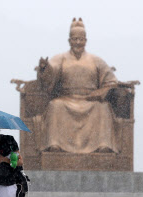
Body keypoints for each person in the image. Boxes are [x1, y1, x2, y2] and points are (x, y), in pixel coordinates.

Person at [33, 18, 120, 154]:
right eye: (75, 39)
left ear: (85, 40)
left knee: (103, 108)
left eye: (81, 39)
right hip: (66, 99)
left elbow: (111, 81)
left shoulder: (96, 60)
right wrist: (45, 68)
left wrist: (101, 92)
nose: (78, 43)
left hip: (90, 101)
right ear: (69, 41)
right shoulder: (60, 58)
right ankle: (55, 144)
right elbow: (50, 73)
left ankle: (103, 145)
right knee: (55, 106)